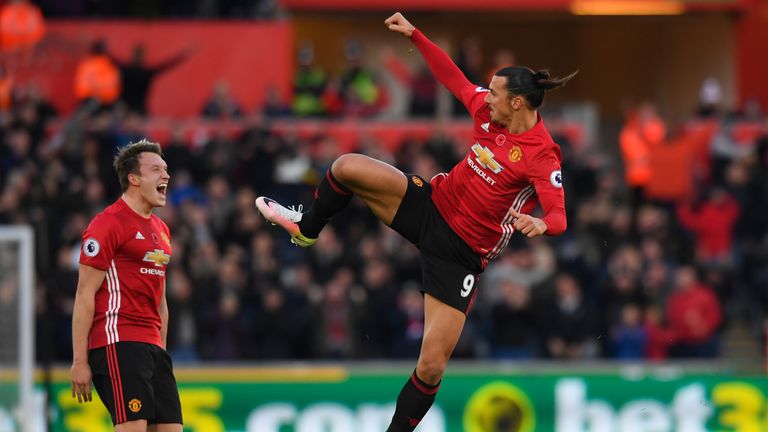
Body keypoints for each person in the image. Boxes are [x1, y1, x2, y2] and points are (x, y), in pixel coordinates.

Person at [255, 12, 575, 431]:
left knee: (431, 367)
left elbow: (559, 216)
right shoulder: (488, 112)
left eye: (494, 93)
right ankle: (307, 230)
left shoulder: (541, 154)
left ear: (517, 102)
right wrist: (417, 36)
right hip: (432, 204)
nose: (486, 97)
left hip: (462, 254)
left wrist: (541, 225)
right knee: (347, 166)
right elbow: (454, 77)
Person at [70, 140, 182, 431]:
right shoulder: (107, 224)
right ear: (134, 179)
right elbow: (84, 294)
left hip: (152, 346)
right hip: (118, 340)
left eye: (166, 170)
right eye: (156, 170)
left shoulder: (161, 229)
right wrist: (79, 361)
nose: (166, 176)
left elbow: (160, 298)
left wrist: (161, 350)